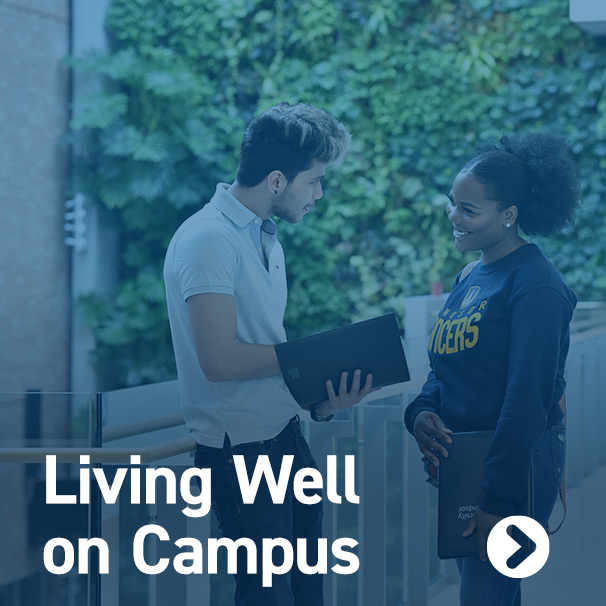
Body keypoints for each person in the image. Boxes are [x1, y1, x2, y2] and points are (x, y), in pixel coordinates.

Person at [163, 102, 373, 605]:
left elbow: (264, 354)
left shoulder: (266, 238)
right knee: (266, 598)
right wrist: (310, 357)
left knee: (306, 595)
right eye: (315, 181)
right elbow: (220, 361)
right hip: (240, 457)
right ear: (277, 181)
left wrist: (318, 398)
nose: (319, 193)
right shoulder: (208, 239)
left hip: (283, 438)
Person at [404, 133, 578, 605]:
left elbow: (527, 400)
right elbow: (446, 368)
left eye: (469, 210)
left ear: (509, 216)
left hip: (515, 464)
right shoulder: (469, 277)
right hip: (467, 461)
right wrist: (419, 412)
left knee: (487, 594)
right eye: (451, 203)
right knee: (486, 593)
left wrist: (497, 503)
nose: (454, 218)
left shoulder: (536, 285)